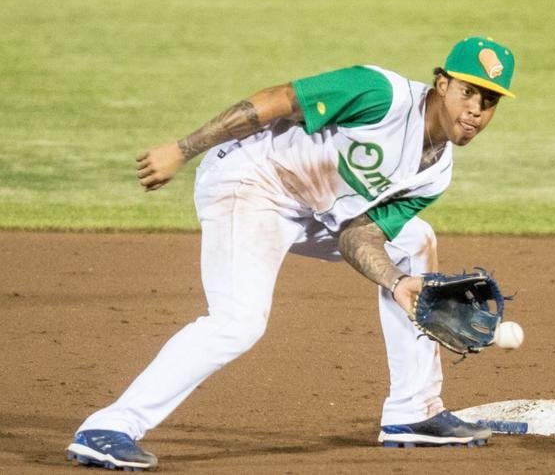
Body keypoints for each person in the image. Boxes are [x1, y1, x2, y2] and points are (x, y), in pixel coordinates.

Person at [66, 36, 518, 471]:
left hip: (314, 213)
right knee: (238, 322)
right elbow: (277, 99)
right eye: (468, 93)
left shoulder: (435, 173)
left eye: (489, 101)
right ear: (442, 84)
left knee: (415, 241)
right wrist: (182, 150)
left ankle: (414, 410)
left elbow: (358, 234)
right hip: (251, 183)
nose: (476, 110)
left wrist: (397, 284)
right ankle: (108, 427)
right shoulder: (381, 94)